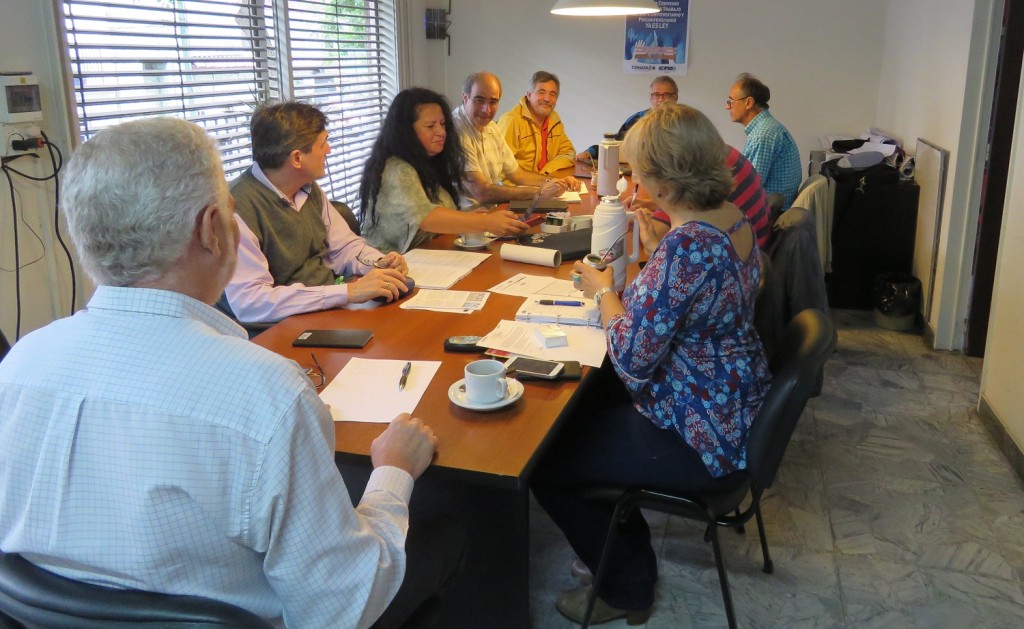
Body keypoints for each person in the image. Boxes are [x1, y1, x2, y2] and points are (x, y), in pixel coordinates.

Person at [0, 118, 463, 629]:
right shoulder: (266, 392)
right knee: (449, 531)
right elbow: (340, 608)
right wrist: (393, 472)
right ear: (210, 229)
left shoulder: (19, 364)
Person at [531, 105, 772, 624]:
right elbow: (703, 294)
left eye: (635, 169)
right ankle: (618, 550)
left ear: (662, 180)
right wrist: (658, 254)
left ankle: (625, 588)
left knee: (547, 461)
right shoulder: (731, 217)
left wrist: (604, 293)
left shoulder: (688, 247)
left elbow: (632, 359)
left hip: (700, 428)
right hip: (731, 400)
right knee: (585, 411)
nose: (629, 178)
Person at [223, 102, 410, 324]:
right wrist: (347, 293)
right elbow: (250, 302)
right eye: (323, 144)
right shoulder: (236, 208)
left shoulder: (308, 188)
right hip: (277, 330)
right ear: (296, 159)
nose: (328, 150)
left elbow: (344, 248)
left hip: (325, 313)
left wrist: (379, 263)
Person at [360, 87, 529, 253]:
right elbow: (427, 218)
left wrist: (470, 218)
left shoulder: (429, 162)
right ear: (406, 131)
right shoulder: (397, 169)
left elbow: (437, 212)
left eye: (442, 124)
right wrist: (485, 222)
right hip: (385, 268)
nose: (441, 132)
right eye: (430, 126)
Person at [455, 71, 580, 208]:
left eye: (493, 102)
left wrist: (556, 182)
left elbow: (517, 174)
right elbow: (482, 192)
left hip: (494, 209)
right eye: (479, 100)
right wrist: (539, 192)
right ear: (465, 98)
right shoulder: (456, 130)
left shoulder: (491, 127)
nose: (487, 110)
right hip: (467, 218)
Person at [640, 143, 773, 250]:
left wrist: (653, 245)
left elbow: (658, 237)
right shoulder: (719, 154)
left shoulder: (691, 172)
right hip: (755, 254)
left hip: (737, 269)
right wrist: (652, 204)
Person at [726, 73, 802, 209]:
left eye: (731, 102)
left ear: (748, 102)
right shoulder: (766, 128)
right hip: (771, 207)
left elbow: (749, 188)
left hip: (768, 213)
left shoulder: (763, 135)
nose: (728, 107)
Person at [576, 76, 678, 163]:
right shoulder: (637, 119)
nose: (661, 99)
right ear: (651, 98)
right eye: (656, 95)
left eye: (666, 95)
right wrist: (590, 152)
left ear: (675, 97)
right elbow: (616, 145)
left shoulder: (685, 123)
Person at [496, 70, 577, 175]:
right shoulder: (511, 121)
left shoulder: (554, 119)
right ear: (529, 95)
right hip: (519, 188)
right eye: (541, 92)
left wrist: (546, 172)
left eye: (552, 94)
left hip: (543, 185)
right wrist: (537, 182)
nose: (547, 99)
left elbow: (569, 153)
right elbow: (499, 169)